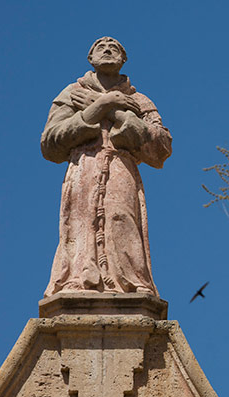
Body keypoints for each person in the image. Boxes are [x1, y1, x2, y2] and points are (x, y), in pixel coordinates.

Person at [41, 36, 172, 296]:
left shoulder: (140, 100)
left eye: (116, 47)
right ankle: (78, 280)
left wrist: (116, 112)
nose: (108, 49)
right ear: (90, 59)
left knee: (121, 218)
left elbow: (162, 147)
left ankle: (130, 284)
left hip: (121, 167)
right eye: (100, 47)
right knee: (82, 220)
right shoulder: (72, 94)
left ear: (124, 60)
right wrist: (101, 104)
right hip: (84, 167)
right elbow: (50, 143)